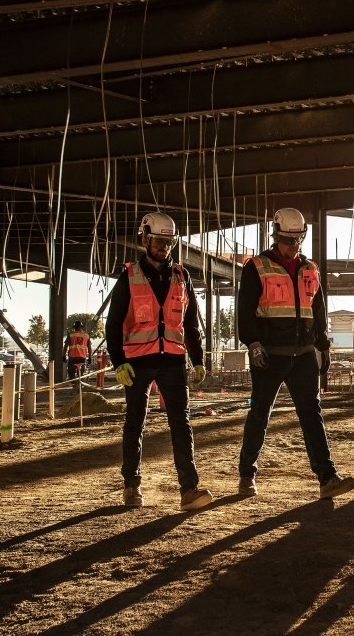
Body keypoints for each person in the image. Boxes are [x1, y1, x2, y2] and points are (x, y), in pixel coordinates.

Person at [236, 207, 354, 501]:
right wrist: (252, 343)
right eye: (288, 240)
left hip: (302, 354)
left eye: (297, 240)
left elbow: (318, 310)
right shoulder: (258, 267)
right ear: (275, 236)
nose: (293, 246)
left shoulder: (310, 269)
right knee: (260, 414)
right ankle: (246, 475)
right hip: (270, 355)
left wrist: (322, 345)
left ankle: (327, 478)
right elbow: (245, 310)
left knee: (311, 414)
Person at [105, 212, 212, 511]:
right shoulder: (129, 277)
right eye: (158, 241)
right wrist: (118, 362)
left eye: (168, 242)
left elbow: (191, 323)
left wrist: (198, 358)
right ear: (145, 240)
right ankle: (131, 485)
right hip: (137, 361)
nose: (163, 247)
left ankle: (188, 489)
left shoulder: (182, 276)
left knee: (181, 423)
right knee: (135, 422)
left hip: (174, 361)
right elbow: (113, 324)